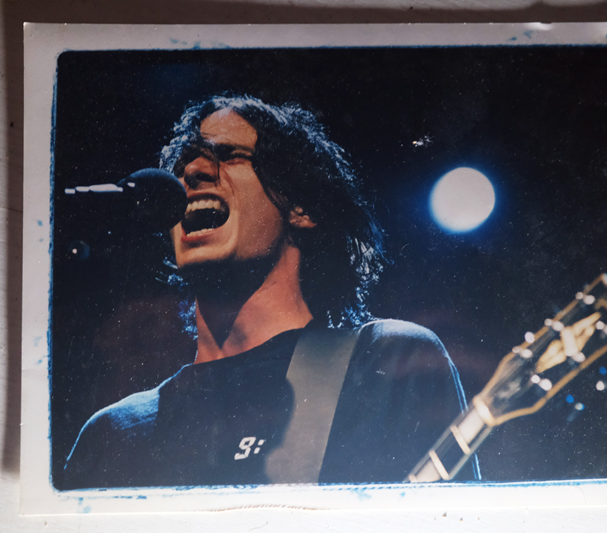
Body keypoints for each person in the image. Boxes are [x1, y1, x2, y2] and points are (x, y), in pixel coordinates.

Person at [63, 95, 477, 489]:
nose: (192, 172)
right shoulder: (113, 433)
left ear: (300, 207)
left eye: (228, 155)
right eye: (184, 164)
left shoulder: (384, 362)